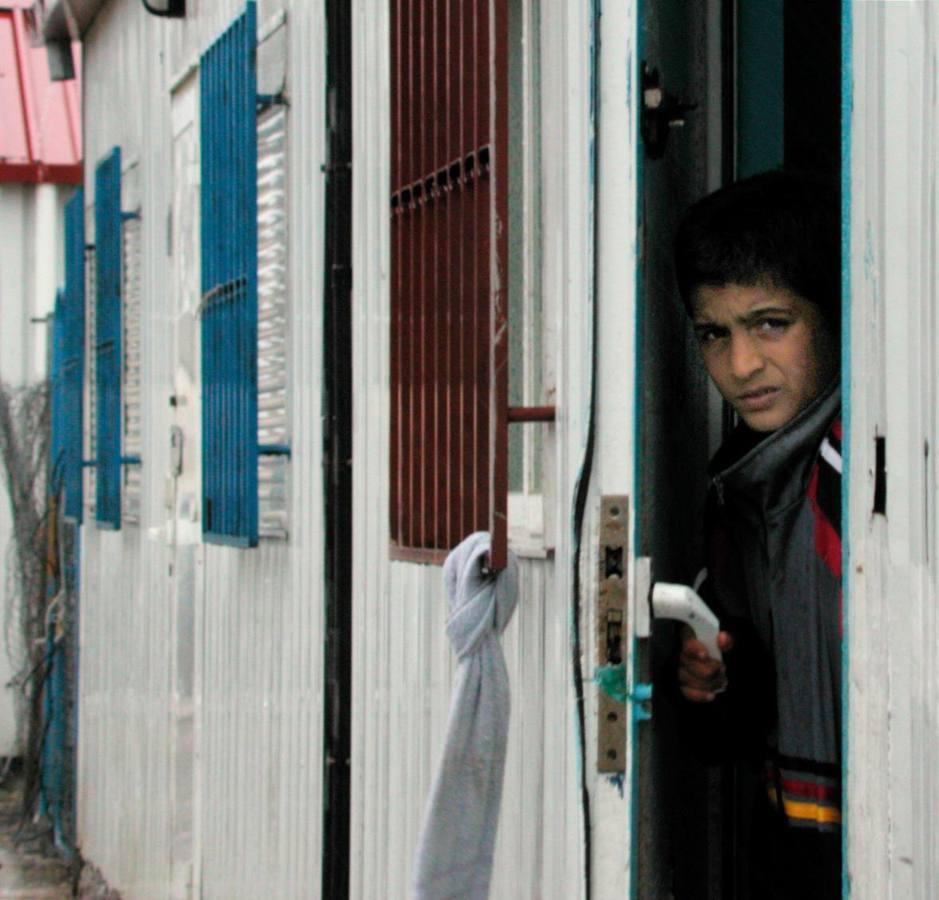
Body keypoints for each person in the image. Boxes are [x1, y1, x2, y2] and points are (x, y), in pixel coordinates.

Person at [672, 170, 842, 898]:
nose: (740, 366)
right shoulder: (739, 488)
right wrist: (711, 687)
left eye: (771, 323)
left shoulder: (865, 481)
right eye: (715, 334)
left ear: (835, 313)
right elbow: (741, 734)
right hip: (794, 857)